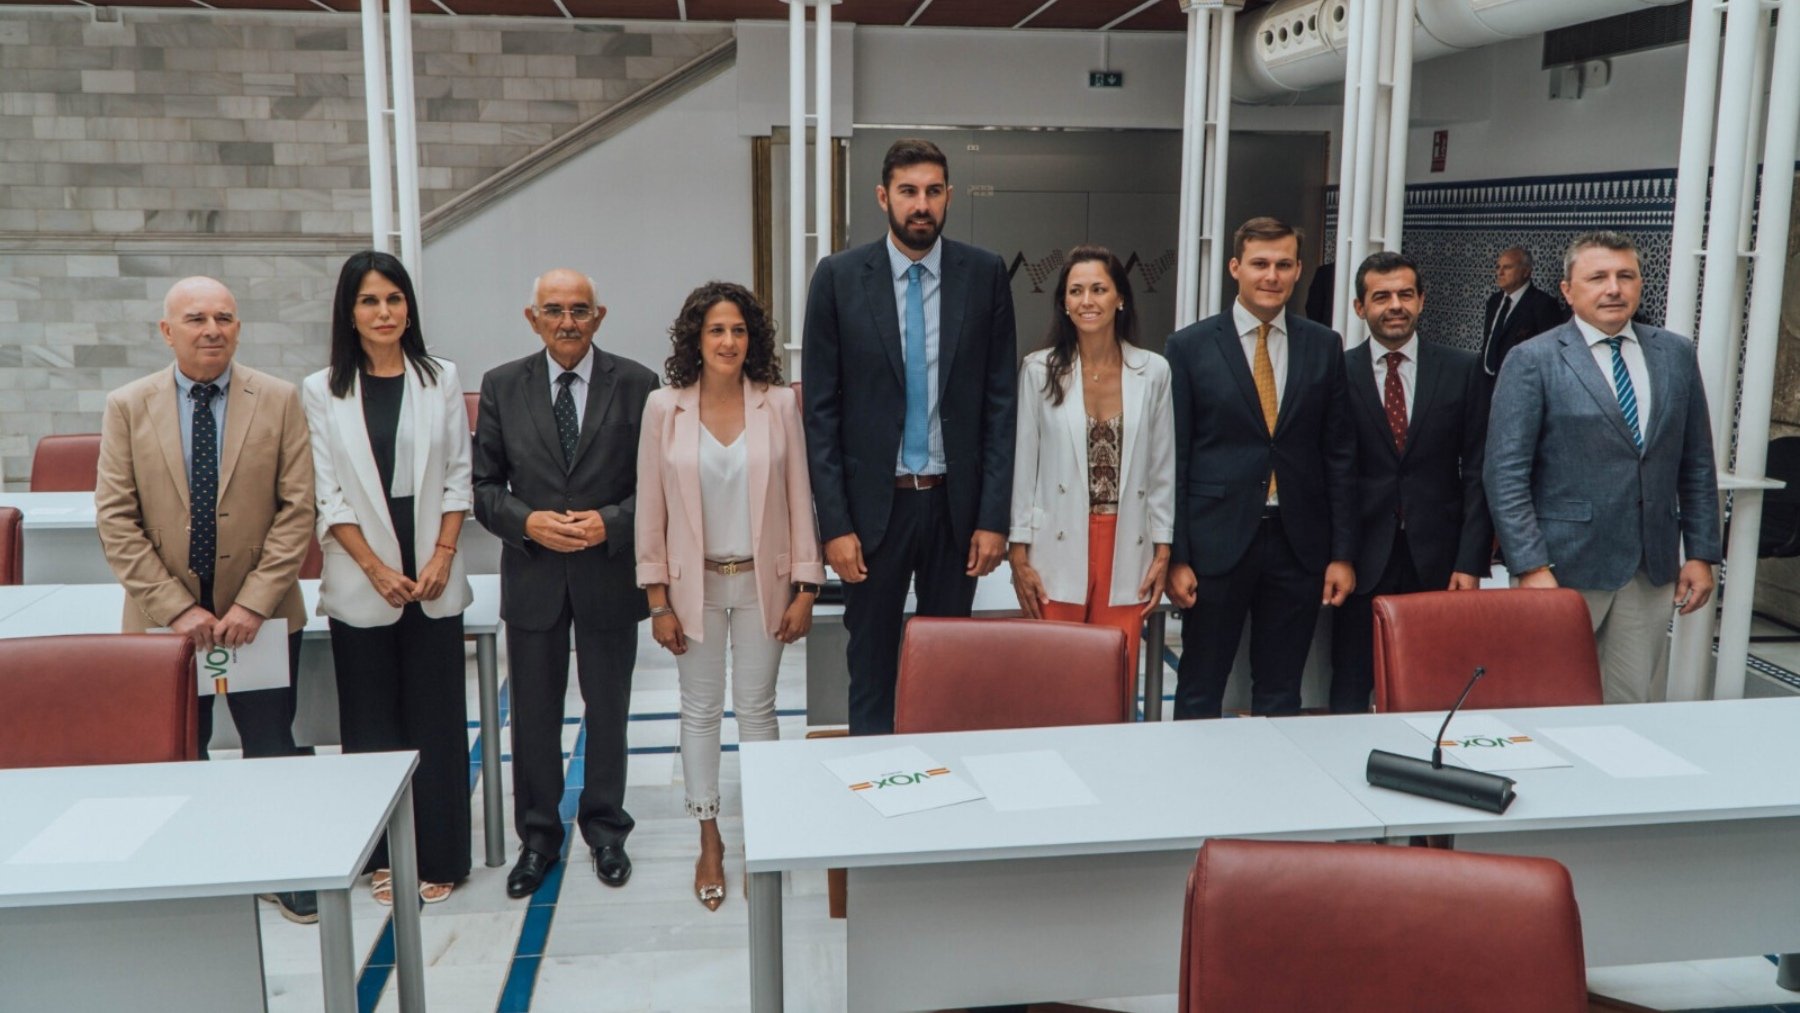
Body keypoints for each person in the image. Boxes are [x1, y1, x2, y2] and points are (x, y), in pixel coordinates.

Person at [94, 276, 317, 924]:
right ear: (167, 330)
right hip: (168, 628)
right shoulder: (127, 405)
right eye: (195, 318)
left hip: (263, 619)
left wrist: (252, 603)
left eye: (224, 316)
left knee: (271, 745)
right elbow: (116, 519)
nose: (211, 328)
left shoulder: (278, 400)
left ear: (239, 327)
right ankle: (191, 871)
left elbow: (296, 509)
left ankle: (281, 869)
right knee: (180, 749)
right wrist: (177, 609)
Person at [802, 137, 1018, 736]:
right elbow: (819, 413)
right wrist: (835, 526)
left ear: (948, 196)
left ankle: (945, 798)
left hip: (956, 508)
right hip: (875, 513)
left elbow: (1001, 405)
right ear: (883, 197)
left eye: (932, 191)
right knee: (870, 666)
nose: (921, 204)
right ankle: (874, 796)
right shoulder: (840, 279)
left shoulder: (984, 274)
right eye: (908, 192)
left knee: (950, 666)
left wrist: (993, 517)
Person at [636, 281, 823, 910]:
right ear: (696, 338)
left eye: (739, 330)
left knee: (759, 710)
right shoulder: (664, 408)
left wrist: (805, 585)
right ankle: (710, 838)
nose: (728, 341)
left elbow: (801, 496)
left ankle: (764, 835)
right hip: (696, 587)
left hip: (764, 583)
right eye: (716, 330)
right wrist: (657, 600)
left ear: (754, 340)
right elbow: (651, 513)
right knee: (700, 710)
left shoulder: (779, 406)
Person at [472, 268, 658, 898]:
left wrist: (612, 523)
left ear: (599, 316)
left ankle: (606, 829)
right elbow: (484, 489)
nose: (568, 321)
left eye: (580, 309)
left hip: (609, 574)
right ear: (533, 318)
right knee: (533, 716)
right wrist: (529, 522)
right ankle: (538, 839)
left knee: (609, 713)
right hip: (534, 576)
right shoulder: (501, 386)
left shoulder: (637, 384)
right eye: (554, 309)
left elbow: (656, 489)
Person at [302, 251, 473, 904]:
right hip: (361, 571)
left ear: (409, 308)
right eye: (370, 301)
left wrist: (440, 557)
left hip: (432, 567)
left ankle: (441, 854)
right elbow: (328, 492)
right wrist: (375, 568)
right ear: (350, 311)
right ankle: (380, 851)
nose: (384, 312)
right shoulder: (322, 389)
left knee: (436, 718)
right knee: (372, 722)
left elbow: (459, 474)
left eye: (395, 299)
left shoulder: (441, 377)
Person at [1485, 231, 1721, 702]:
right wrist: (1530, 565)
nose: (1613, 288)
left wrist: (1700, 552)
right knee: (1548, 698)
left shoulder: (1674, 354)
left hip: (1648, 566)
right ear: (1568, 291)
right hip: (1561, 567)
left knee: (1628, 702)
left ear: (1639, 285)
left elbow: (1695, 462)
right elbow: (1505, 472)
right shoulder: (1533, 359)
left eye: (1625, 276)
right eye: (1597, 277)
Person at [1165, 217, 1357, 718]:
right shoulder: (1189, 347)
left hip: (1298, 544)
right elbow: (1176, 458)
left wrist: (1341, 554)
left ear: (1297, 271)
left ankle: (1273, 790)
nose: (1271, 276)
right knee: (1200, 688)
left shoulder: (1323, 345)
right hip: (1216, 543)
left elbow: (1338, 455)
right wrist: (1177, 555)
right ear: (1236, 268)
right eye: (1260, 264)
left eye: (1284, 265)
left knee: (1280, 692)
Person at [1330, 251, 1493, 713]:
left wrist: (1470, 560)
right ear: (1361, 308)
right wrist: (1337, 555)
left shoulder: (1463, 370)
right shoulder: (1338, 372)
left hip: (1439, 559)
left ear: (1422, 300)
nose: (1395, 305)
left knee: (1434, 681)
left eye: (1405, 294)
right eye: (1381, 297)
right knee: (1350, 682)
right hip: (1360, 557)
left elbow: (1480, 470)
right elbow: (1332, 470)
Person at [1009, 245, 1174, 687]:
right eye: (1076, 290)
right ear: (1063, 301)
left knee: (1113, 678)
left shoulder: (1153, 371)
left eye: (1099, 289)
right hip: (1056, 542)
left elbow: (1162, 469)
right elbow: (1024, 466)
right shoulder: (1038, 370)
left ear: (1120, 297)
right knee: (1055, 679)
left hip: (1128, 541)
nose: (1087, 300)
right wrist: (1017, 551)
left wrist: (1164, 548)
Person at [1480, 246, 1567, 383]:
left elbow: (1549, 354)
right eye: (1498, 267)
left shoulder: (1543, 304)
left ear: (1526, 271)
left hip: (1520, 384)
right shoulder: (1494, 301)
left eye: (1507, 267)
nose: (1500, 272)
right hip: (1486, 381)